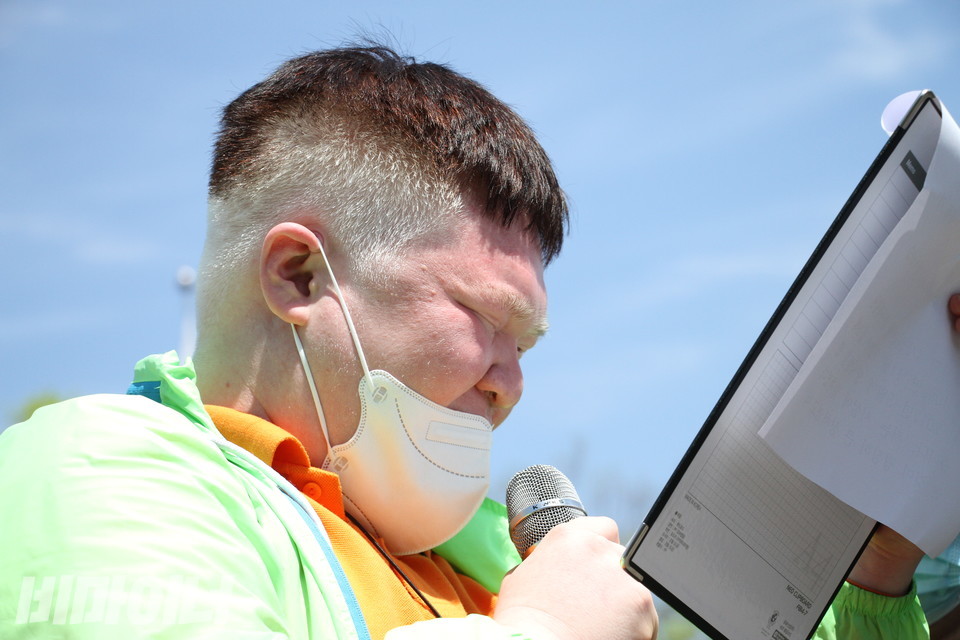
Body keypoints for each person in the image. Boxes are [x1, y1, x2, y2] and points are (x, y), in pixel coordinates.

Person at [0, 44, 934, 639]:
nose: (510, 383)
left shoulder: (494, 568)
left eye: (526, 343)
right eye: (484, 320)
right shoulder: (86, 473)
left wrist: (881, 567)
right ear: (298, 277)